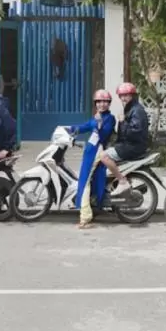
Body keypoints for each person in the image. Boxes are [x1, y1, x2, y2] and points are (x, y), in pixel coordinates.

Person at [67, 89, 117, 229]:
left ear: (109, 103)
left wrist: (98, 123)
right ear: (95, 103)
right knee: (85, 180)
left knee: (85, 181)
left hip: (97, 151)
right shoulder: (97, 116)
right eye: (99, 102)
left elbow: (103, 134)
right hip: (90, 151)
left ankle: (85, 217)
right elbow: (84, 127)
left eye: (105, 102)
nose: (102, 104)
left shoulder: (109, 118)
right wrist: (68, 129)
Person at [103, 82, 149, 198]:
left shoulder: (137, 110)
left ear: (132, 95)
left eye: (126, 95)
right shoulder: (131, 108)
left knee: (103, 156)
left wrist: (123, 122)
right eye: (121, 95)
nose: (123, 98)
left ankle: (122, 181)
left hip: (133, 146)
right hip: (129, 144)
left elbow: (134, 132)